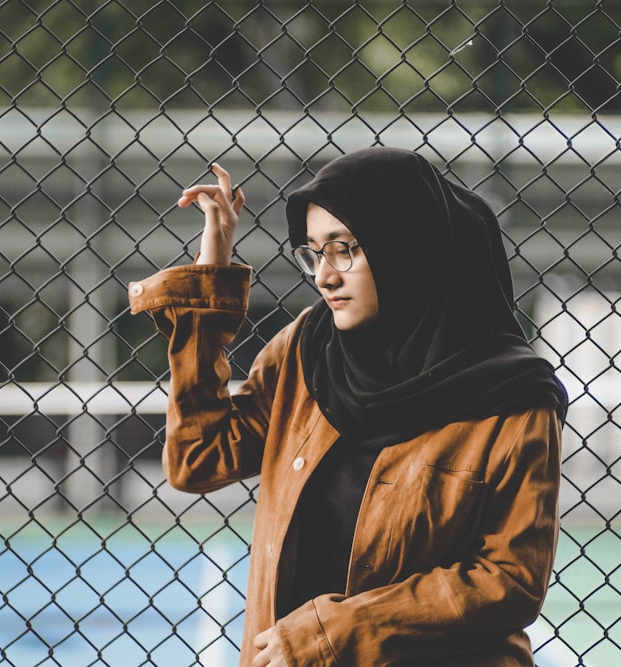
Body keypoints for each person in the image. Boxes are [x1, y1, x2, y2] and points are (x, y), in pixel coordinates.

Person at [128, 147, 568, 666]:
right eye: (314, 253)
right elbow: (197, 459)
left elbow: (511, 581)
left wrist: (341, 629)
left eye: (345, 250)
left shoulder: (512, 399)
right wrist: (211, 274)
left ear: (406, 247)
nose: (324, 276)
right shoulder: (307, 352)